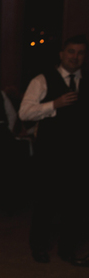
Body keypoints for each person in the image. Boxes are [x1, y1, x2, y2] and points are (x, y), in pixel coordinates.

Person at [19, 34, 88, 266]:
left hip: (78, 155)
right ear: (61, 54)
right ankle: (38, 247)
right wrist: (54, 105)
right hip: (50, 154)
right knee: (45, 203)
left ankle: (67, 250)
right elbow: (24, 113)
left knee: (74, 205)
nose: (75, 57)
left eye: (80, 53)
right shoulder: (42, 80)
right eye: (71, 52)